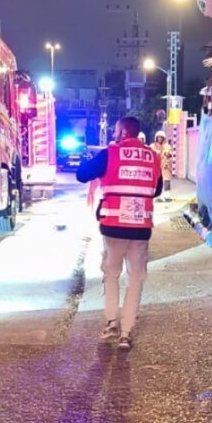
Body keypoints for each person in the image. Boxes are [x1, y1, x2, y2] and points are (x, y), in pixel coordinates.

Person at [76, 116, 162, 350]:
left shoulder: (110, 154)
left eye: (115, 131)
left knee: (111, 274)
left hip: (113, 228)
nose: (114, 135)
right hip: (141, 229)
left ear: (123, 132)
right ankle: (126, 333)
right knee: (135, 279)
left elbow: (82, 174)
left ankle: (112, 322)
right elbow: (156, 190)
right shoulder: (152, 157)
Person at [151, 130, 173, 198]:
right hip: (155, 166)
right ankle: (156, 193)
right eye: (159, 137)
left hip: (164, 166)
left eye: (161, 137)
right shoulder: (152, 146)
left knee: (166, 180)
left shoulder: (167, 146)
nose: (160, 139)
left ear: (163, 138)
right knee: (156, 180)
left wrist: (167, 154)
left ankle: (167, 194)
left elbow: (170, 155)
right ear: (156, 138)